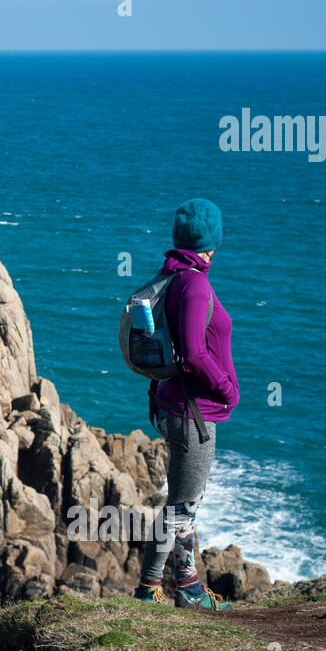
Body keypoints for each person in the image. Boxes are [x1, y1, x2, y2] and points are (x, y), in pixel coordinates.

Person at [134, 198, 239, 610]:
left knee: (183, 507)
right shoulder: (194, 284)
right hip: (192, 413)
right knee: (181, 508)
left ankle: (189, 589)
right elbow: (195, 354)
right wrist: (227, 388)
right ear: (213, 240)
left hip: (170, 405)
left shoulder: (173, 275)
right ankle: (148, 589)